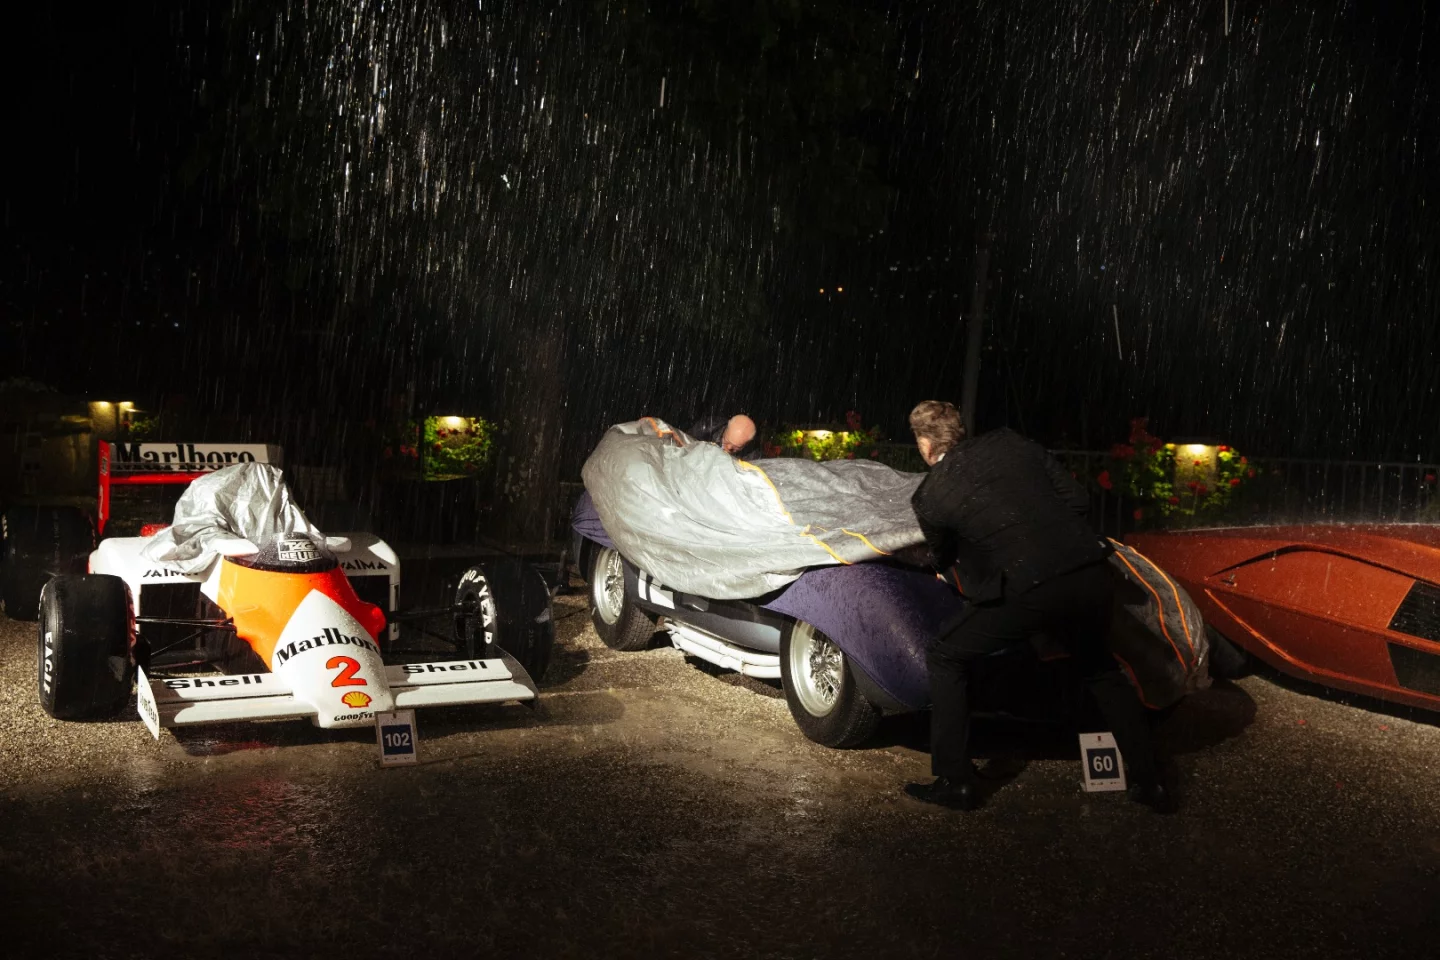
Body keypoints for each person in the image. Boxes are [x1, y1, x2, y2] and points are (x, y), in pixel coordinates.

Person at [904, 400, 1173, 813]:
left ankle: (955, 782)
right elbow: (1077, 500)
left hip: (1031, 588)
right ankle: (1149, 782)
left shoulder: (930, 496)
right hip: (1089, 572)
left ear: (924, 445)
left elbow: (942, 560)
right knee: (1100, 669)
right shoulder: (1011, 443)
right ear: (960, 429)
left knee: (946, 657)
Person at [687, 414, 759, 458]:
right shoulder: (708, 427)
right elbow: (685, 443)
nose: (729, 447)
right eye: (727, 441)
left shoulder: (753, 456)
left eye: (737, 447)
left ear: (746, 444)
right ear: (726, 428)